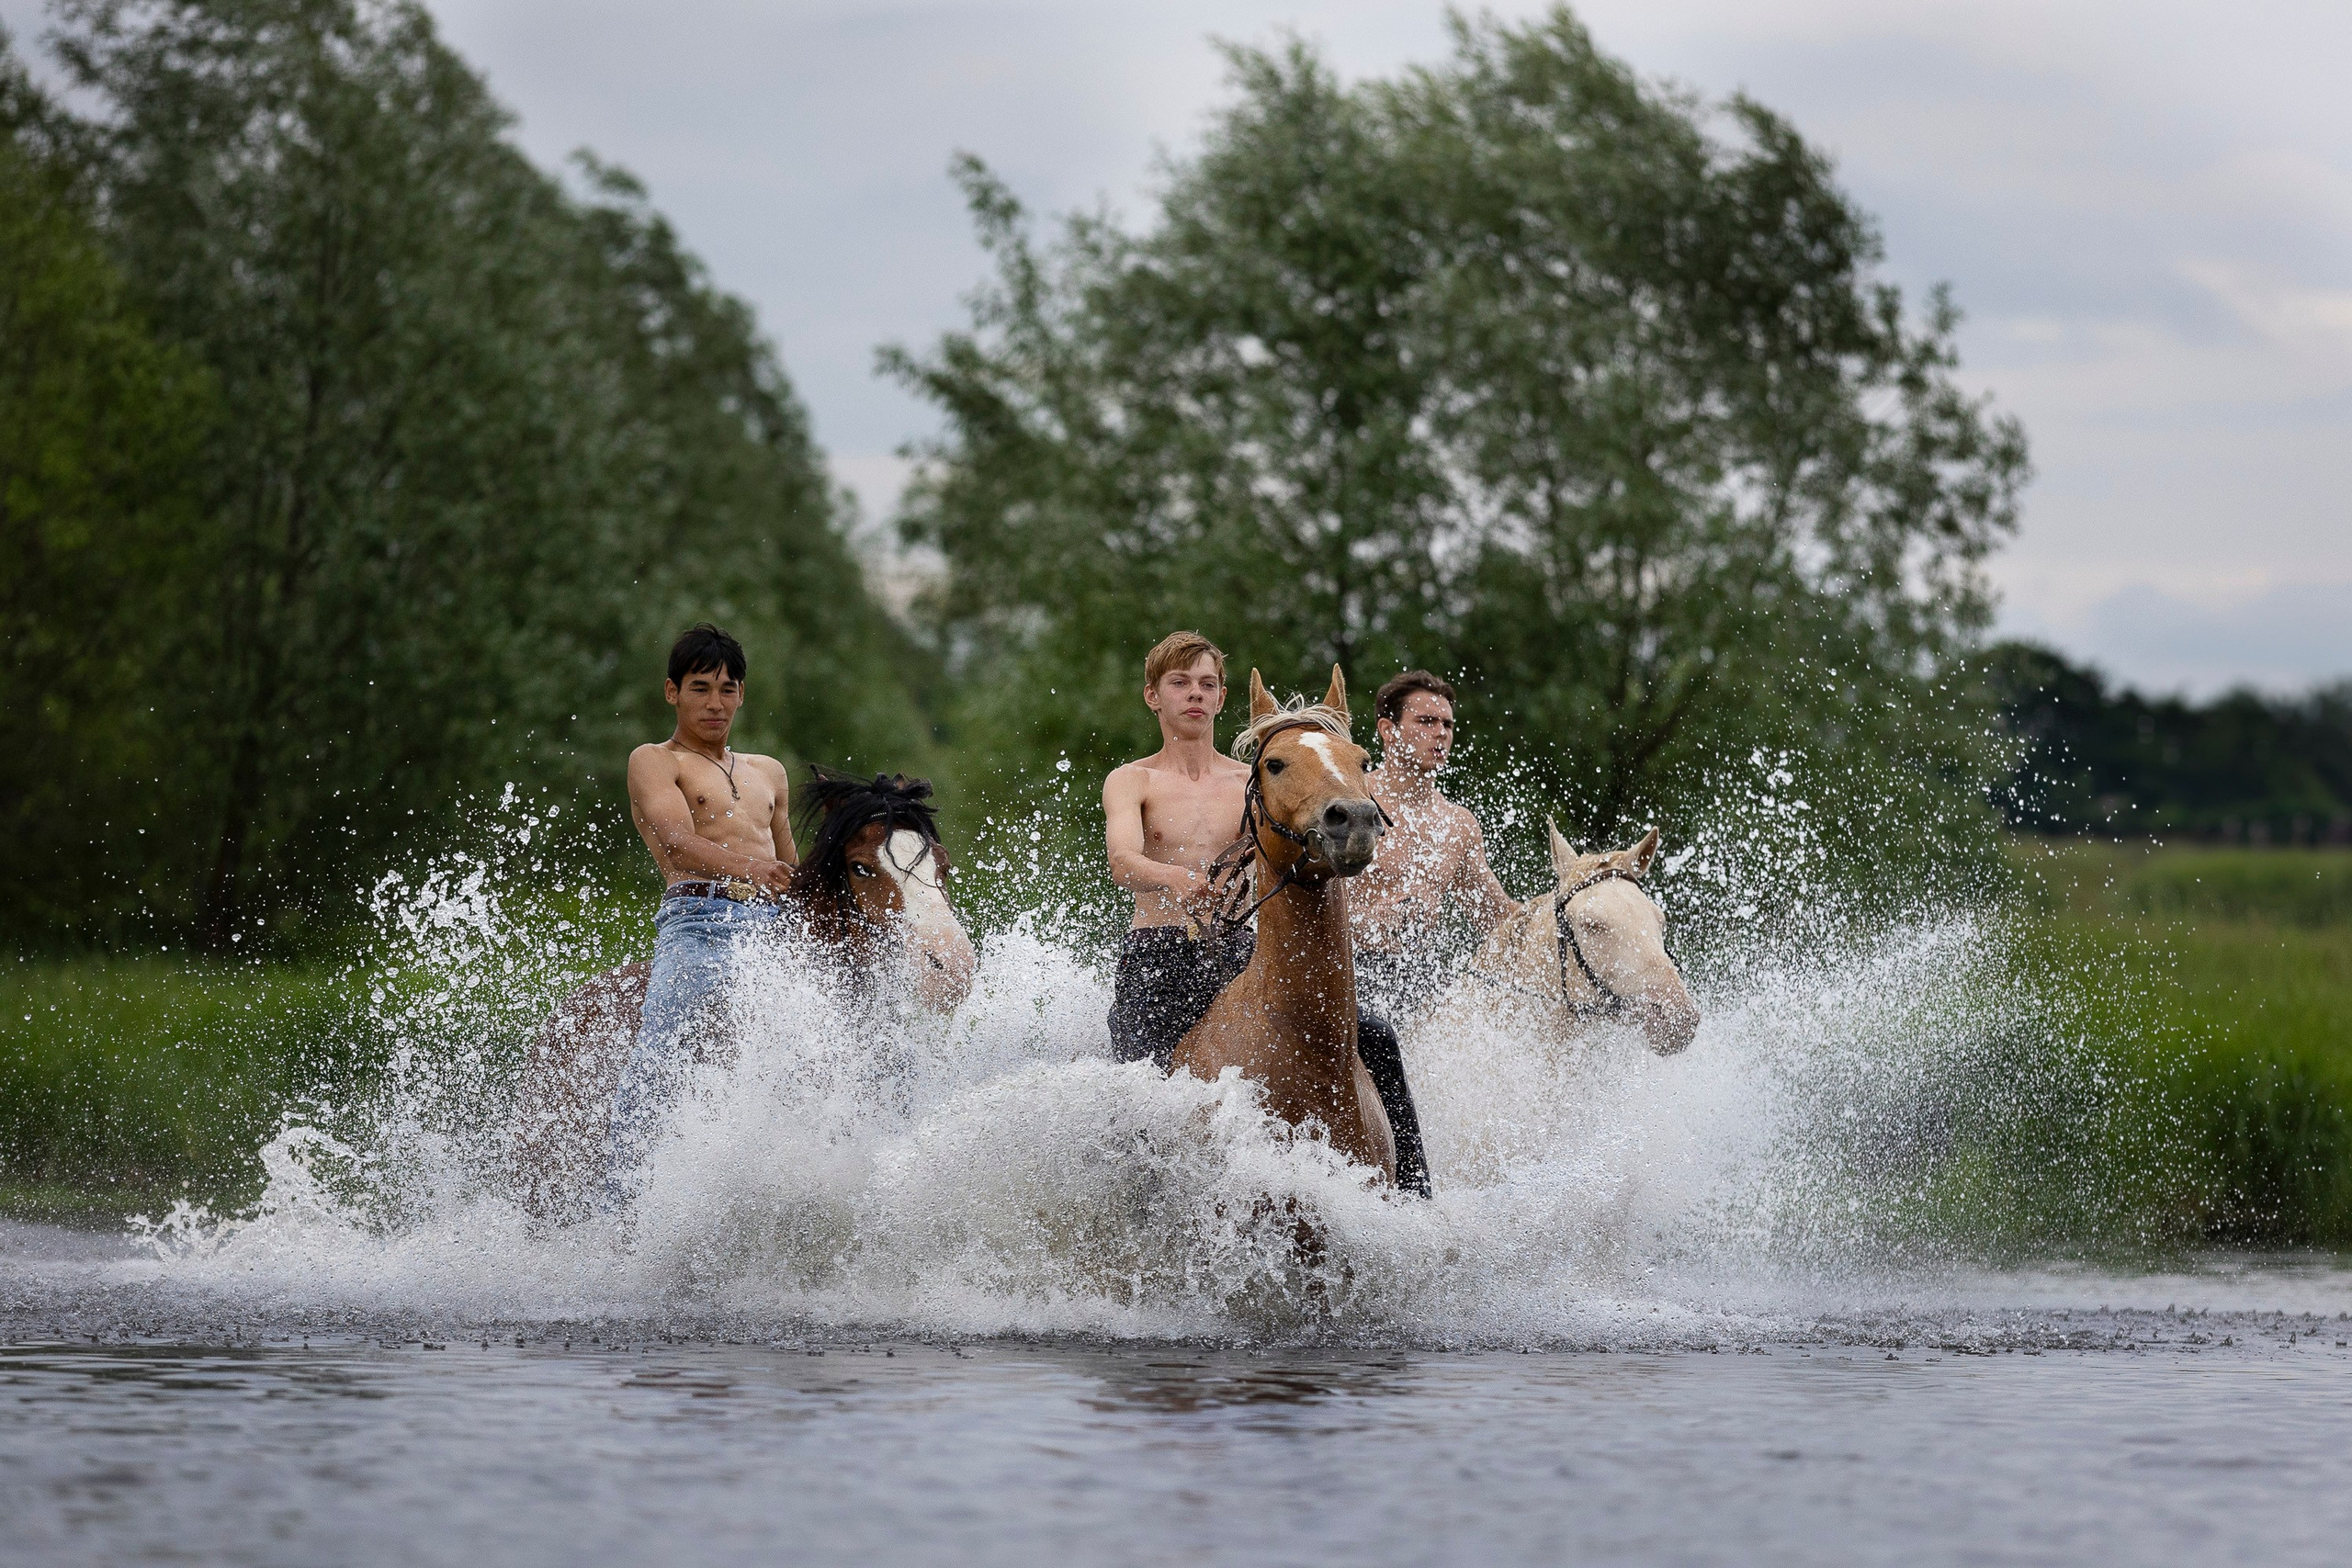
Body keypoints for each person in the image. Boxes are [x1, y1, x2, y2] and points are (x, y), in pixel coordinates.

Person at [1102, 631, 1433, 1195]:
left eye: (1207, 684)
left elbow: (1302, 838)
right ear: (1153, 696)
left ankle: (1417, 1196)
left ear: (1223, 697)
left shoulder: (1257, 779)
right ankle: (1137, 1218)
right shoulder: (1133, 779)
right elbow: (1122, 861)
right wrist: (1177, 879)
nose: (1194, 695)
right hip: (1159, 960)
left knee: (1374, 1036)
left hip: (1240, 952)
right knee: (1138, 1088)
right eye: (1179, 684)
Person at [605, 623, 798, 1195]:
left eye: (727, 688)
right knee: (656, 1064)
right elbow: (674, 840)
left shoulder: (769, 771)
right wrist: (751, 871)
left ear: (741, 694)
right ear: (672, 692)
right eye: (700, 688)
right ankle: (624, 1212)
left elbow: (791, 867)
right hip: (702, 924)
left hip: (778, 929)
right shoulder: (656, 760)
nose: (716, 703)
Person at [1351, 671, 1512, 1025]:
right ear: (1387, 730)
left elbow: (1498, 920)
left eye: (1447, 724)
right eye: (1426, 721)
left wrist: (1567, 909)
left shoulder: (1458, 824)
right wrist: (1365, 921)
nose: (1440, 732)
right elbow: (1301, 897)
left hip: (1420, 978)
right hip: (1345, 969)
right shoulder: (1353, 799)